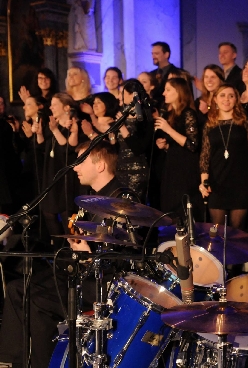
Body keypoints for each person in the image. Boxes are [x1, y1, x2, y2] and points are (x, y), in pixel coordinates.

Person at [0, 140, 134, 368]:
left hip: (102, 284)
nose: (75, 167)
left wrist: (89, 256)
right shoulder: (91, 198)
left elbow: (123, 259)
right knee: (16, 288)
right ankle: (13, 361)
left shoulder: (122, 201)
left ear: (100, 165)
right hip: (82, 272)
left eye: (81, 162)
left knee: (38, 301)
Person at [199, 84, 248, 229]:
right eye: (222, 95)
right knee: (217, 230)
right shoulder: (210, 124)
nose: (227, 99)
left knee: (237, 230)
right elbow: (205, 155)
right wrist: (204, 183)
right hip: (217, 182)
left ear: (236, 100)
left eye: (231, 96)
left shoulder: (244, 121)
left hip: (241, 182)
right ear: (216, 100)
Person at [31, 92, 84, 246]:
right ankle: (58, 248)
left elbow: (68, 150)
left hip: (66, 176)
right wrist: (40, 134)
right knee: (48, 211)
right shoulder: (53, 125)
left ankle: (73, 248)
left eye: (54, 104)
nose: (51, 107)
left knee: (67, 213)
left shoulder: (73, 124)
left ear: (66, 107)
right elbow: (43, 148)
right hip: (51, 173)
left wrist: (55, 130)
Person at [155, 77, 202, 220]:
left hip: (185, 170)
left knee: (182, 208)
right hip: (172, 167)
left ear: (179, 92)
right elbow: (176, 144)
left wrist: (168, 130)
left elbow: (192, 144)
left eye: (168, 90)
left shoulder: (188, 113)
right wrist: (165, 145)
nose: (164, 93)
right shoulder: (170, 114)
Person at [115, 79, 154, 201]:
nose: (118, 96)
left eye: (122, 93)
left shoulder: (144, 116)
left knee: (132, 209)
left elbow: (139, 148)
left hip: (136, 172)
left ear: (132, 94)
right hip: (121, 169)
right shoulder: (123, 114)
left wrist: (122, 128)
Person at [150, 41, 178, 106]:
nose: (153, 57)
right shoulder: (151, 75)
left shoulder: (178, 73)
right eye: (152, 54)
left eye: (156, 53)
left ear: (166, 54)